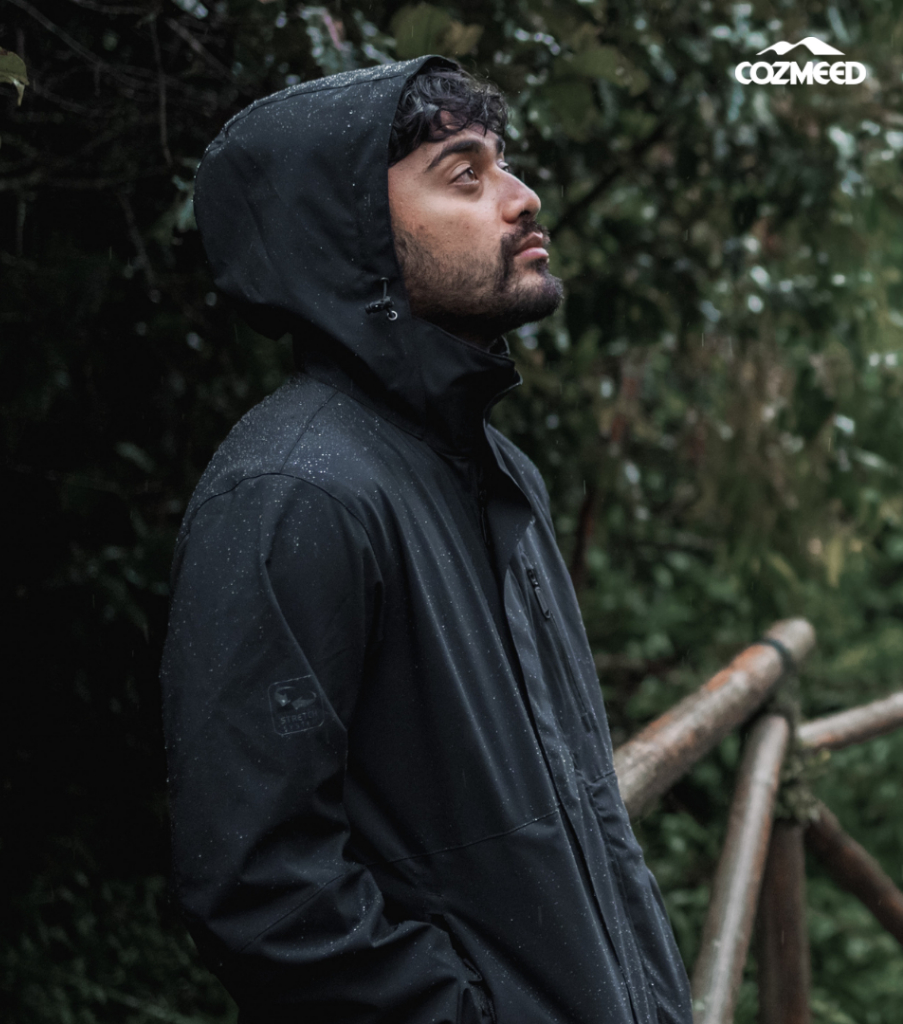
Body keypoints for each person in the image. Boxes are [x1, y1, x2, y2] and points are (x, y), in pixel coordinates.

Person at [161, 55, 693, 1024]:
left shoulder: (497, 471)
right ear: (353, 231)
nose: (522, 199)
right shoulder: (294, 491)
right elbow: (260, 889)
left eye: (504, 164)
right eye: (465, 175)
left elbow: (577, 823)